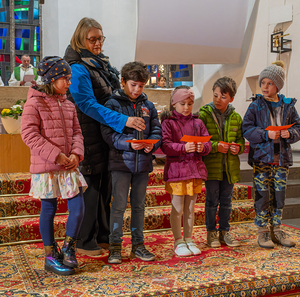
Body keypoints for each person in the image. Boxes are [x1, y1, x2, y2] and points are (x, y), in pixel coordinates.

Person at [64, 17, 145, 256]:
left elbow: (113, 95)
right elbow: (87, 104)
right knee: (91, 187)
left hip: (104, 133)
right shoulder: (78, 67)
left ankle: (103, 234)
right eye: (93, 39)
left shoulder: (100, 63)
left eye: (100, 38)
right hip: (87, 132)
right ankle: (83, 239)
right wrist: (122, 120)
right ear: (81, 39)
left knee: (103, 186)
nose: (98, 43)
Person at [21, 56, 87, 276]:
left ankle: (69, 248)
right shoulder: (34, 102)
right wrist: (56, 155)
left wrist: (76, 154)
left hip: (69, 166)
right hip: (48, 166)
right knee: (48, 209)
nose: (69, 83)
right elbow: (29, 134)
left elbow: (77, 132)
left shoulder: (68, 104)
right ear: (52, 78)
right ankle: (50, 256)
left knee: (78, 207)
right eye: (65, 78)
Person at [101, 61, 162, 264]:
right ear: (123, 81)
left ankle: (138, 245)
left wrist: (151, 145)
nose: (137, 89)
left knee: (138, 207)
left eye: (141, 86)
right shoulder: (113, 104)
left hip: (142, 164)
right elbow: (108, 134)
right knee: (118, 206)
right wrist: (128, 144)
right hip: (120, 163)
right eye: (133, 84)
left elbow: (156, 130)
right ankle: (115, 247)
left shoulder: (148, 106)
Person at [242, 61, 300, 248]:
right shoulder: (255, 106)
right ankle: (263, 232)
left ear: (278, 85)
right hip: (261, 159)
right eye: (263, 83)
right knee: (262, 195)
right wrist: (266, 134)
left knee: (279, 196)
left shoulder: (288, 105)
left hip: (281, 159)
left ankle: (277, 229)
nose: (264, 87)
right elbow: (247, 129)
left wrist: (290, 133)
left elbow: (298, 127)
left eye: (269, 83)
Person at [161, 86, 212, 256]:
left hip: (194, 171)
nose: (186, 107)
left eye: (190, 104)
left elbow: (208, 145)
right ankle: (178, 241)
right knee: (177, 209)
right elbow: (165, 146)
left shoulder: (198, 122)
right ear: (174, 103)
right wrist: (184, 148)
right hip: (177, 172)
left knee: (190, 209)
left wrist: (201, 147)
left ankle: (189, 239)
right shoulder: (168, 122)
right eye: (182, 103)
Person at [199, 77, 245, 248]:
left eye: (223, 97)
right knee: (212, 201)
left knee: (227, 201)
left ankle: (224, 231)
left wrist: (237, 148)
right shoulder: (203, 115)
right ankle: (211, 233)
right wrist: (215, 146)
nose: (218, 99)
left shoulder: (236, 117)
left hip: (229, 168)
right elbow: (200, 141)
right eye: (216, 95)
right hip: (212, 166)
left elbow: (240, 140)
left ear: (231, 99)